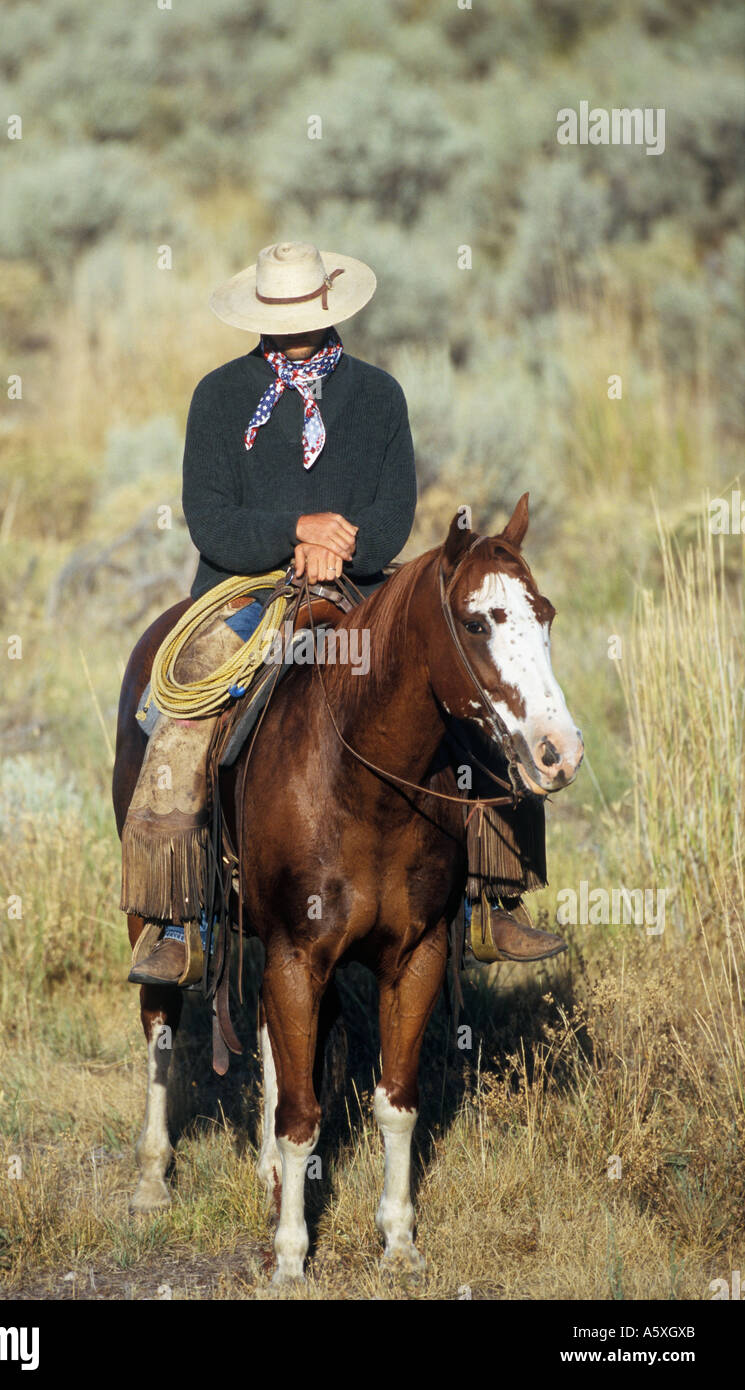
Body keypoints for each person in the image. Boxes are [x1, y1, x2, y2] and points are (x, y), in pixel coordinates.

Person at [123, 241, 565, 986]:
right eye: (281, 314)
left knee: (469, 686)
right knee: (183, 709)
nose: (292, 328)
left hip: (360, 587)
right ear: (260, 315)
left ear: (328, 311)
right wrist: (299, 531)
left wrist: (339, 547)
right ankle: (179, 916)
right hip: (242, 589)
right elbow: (209, 519)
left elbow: (393, 516)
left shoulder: (378, 395)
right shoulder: (219, 396)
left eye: (303, 312)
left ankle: (494, 896)